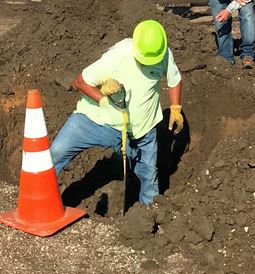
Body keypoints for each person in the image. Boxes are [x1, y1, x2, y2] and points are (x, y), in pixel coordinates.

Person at [50, 19, 185, 207]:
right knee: (56, 152)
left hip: (142, 129)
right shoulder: (120, 53)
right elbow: (81, 81)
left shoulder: (163, 54)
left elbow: (174, 80)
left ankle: (148, 215)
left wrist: (176, 107)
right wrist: (104, 100)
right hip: (97, 120)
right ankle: (38, 198)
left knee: (148, 175)